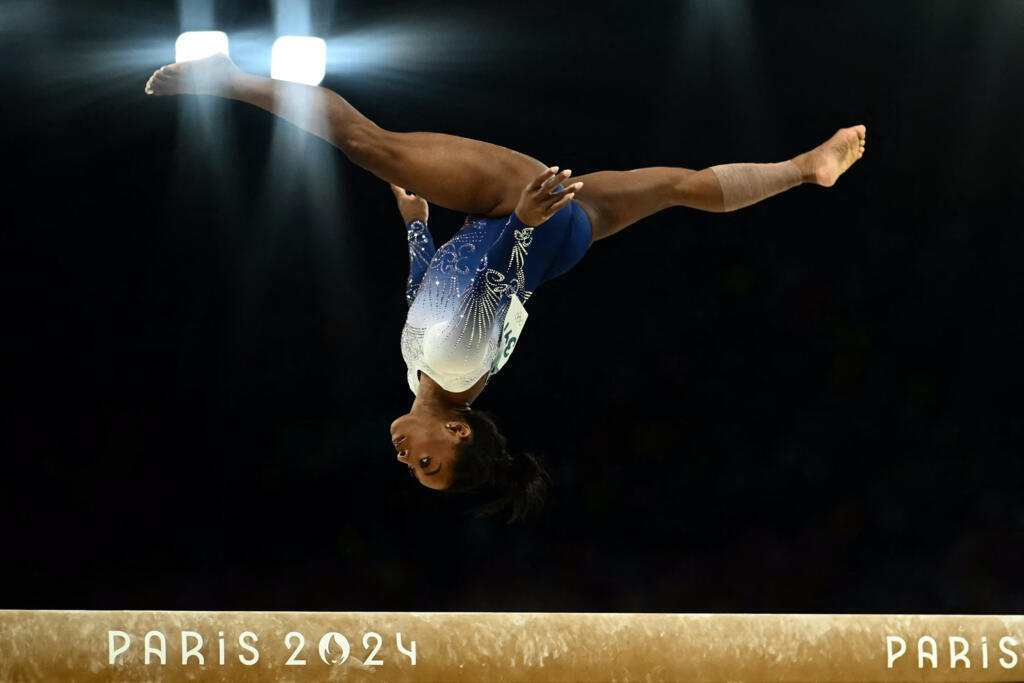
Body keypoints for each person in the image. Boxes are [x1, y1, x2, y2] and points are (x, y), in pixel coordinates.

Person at [145, 53, 866, 522]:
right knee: (370, 145)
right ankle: (230, 78)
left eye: (414, 470)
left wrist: (416, 228)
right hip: (518, 219)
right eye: (428, 462)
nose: (407, 458)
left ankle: (806, 169)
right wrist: (520, 218)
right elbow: (496, 278)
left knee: (679, 186)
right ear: (458, 432)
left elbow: (429, 296)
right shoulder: (458, 367)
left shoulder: (427, 374)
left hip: (560, 243)